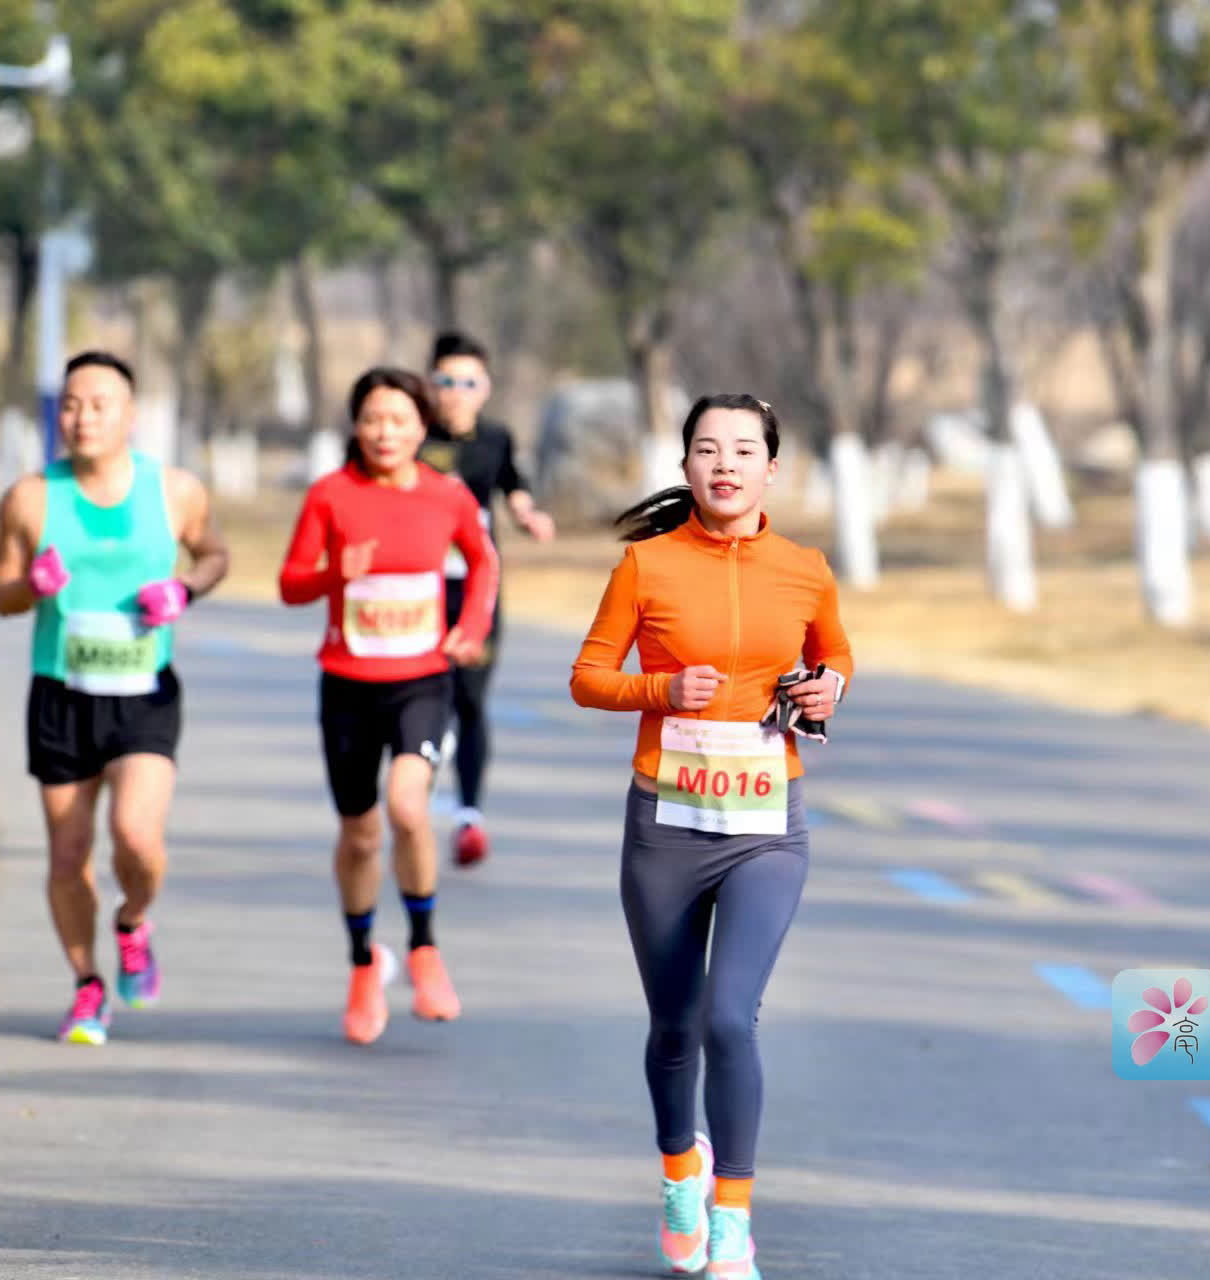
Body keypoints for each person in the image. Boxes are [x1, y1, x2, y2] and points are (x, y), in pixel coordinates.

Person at [570, 394, 851, 1280]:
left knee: (732, 1017)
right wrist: (660, 693)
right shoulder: (646, 566)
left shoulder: (806, 569)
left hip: (766, 826)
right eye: (705, 449)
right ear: (686, 465)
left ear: (772, 468)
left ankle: (733, 1217)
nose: (723, 464)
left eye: (742, 450)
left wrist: (827, 689)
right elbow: (587, 677)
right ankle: (678, 1171)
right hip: (665, 825)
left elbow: (835, 655)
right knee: (676, 1026)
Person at [0, 350, 230, 1045]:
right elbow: (0, 594)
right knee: (67, 857)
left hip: (143, 693)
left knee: (135, 835)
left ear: (131, 415)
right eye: (69, 404)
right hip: (61, 693)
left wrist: (184, 589)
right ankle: (87, 986)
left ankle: (132, 921)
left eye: (98, 404)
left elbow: (214, 554)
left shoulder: (175, 491)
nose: (82, 416)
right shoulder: (30, 498)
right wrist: (30, 586)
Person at [279, 366, 499, 1045]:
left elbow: (484, 561)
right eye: (373, 419)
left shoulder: (448, 495)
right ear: (356, 425)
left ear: (421, 427)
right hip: (346, 685)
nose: (385, 432)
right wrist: (330, 575)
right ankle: (362, 963)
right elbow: (291, 584)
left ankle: (426, 948)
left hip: (420, 681)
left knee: (408, 807)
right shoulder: (330, 495)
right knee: (360, 835)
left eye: (399, 420)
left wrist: (473, 626)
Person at [418, 331, 556, 868]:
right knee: (428, 695)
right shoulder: (411, 437)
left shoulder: (496, 439)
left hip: (478, 588)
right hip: (420, 590)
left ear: (485, 388)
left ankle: (469, 815)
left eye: (467, 382)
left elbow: (513, 488)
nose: (455, 392)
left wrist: (528, 515)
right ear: (430, 386)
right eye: (446, 381)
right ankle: (417, 795)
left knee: (470, 698)